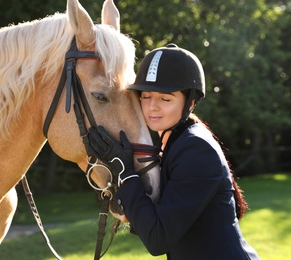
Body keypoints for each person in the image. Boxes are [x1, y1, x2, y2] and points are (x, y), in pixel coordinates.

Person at [88, 43, 260, 259]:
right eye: (146, 96)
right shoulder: (173, 142)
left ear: (190, 102)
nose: (152, 107)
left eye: (165, 99)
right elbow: (154, 219)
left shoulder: (196, 149)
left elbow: (157, 238)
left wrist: (125, 171)